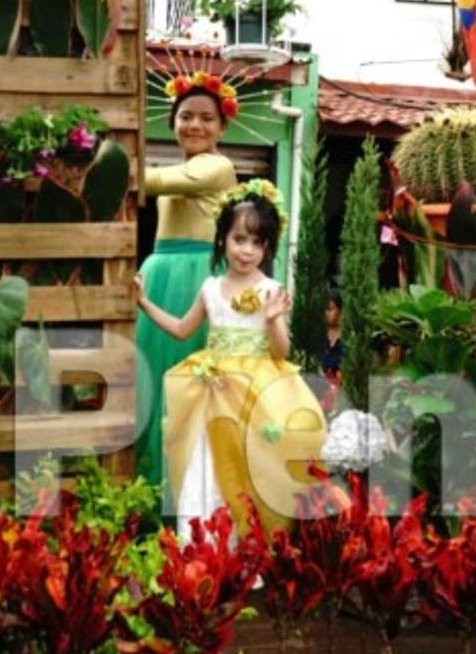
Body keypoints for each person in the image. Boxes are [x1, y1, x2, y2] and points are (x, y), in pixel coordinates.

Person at [135, 181, 327, 537]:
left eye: (257, 242)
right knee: (203, 461)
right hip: (212, 387)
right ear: (222, 238)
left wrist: (271, 321)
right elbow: (181, 329)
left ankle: (246, 550)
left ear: (267, 247)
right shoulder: (210, 288)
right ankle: (202, 546)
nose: (247, 250)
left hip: (256, 391)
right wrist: (146, 304)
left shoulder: (271, 290)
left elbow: (282, 351)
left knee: (249, 461)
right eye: (239, 239)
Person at [135, 76, 238, 489]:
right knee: (154, 377)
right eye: (186, 116)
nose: (196, 125)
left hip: (197, 277)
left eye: (207, 119)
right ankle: (152, 478)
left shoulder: (218, 165)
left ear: (222, 127)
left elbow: (154, 181)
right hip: (162, 271)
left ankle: (188, 484)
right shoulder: (184, 166)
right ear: (171, 121)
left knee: (188, 379)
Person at [320, 289, 343, 384]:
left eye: (330, 309)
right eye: (324, 309)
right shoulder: (319, 335)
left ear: (340, 311)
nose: (326, 313)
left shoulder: (348, 338)